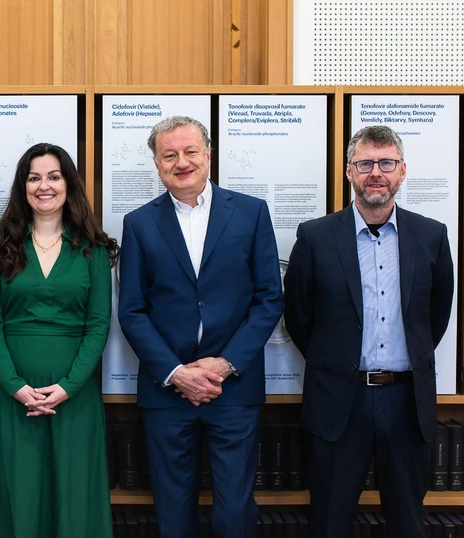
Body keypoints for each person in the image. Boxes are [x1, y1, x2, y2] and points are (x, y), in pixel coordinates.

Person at [283, 125, 454, 537]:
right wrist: (337, 362)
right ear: (348, 172)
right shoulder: (315, 236)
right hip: (339, 401)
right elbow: (298, 316)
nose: (375, 172)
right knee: (329, 522)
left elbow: (436, 315)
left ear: (402, 171)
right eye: (365, 164)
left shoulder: (431, 235)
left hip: (405, 401)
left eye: (386, 163)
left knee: (408, 523)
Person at [117, 116, 283, 537]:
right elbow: (132, 311)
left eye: (190, 151)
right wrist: (177, 373)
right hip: (166, 392)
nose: (181, 162)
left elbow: (269, 299)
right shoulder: (138, 224)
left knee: (234, 512)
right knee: (172, 514)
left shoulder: (251, 213)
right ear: (156, 165)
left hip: (234, 388)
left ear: (208, 154)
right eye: (169, 155)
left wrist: (226, 364)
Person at [0, 143, 117, 538]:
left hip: (74, 397)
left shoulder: (93, 247)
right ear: (23, 186)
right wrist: (15, 386)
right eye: (34, 177)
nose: (44, 186)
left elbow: (98, 324)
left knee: (72, 495)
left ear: (69, 183)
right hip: (10, 395)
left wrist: (68, 387)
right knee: (13, 492)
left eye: (53, 176)